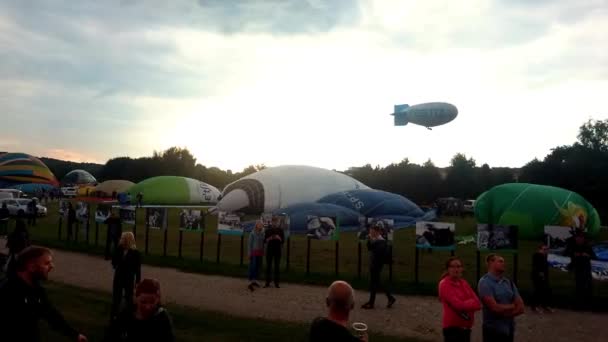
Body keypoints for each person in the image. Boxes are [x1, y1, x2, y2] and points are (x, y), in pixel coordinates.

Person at [0, 246, 88, 342]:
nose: (52, 266)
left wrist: (75, 335)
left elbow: (50, 314)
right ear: (31, 266)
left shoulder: (36, 290)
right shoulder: (9, 290)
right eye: (47, 263)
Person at [105, 278, 174, 342]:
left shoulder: (162, 319)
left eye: (152, 302)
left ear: (158, 299)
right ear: (136, 299)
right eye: (143, 302)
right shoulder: (125, 316)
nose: (148, 307)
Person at [478, 254, 524, 342]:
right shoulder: (485, 283)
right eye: (500, 261)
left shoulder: (508, 282)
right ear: (491, 263)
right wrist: (513, 306)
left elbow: (521, 307)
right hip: (493, 331)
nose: (504, 264)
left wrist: (506, 314)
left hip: (509, 329)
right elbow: (494, 308)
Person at [438, 257, 481, 342]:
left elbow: (478, 304)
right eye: (452, 267)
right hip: (452, 329)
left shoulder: (464, 283)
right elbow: (458, 305)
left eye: (458, 266)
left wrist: (466, 303)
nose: (456, 269)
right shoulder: (444, 284)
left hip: (466, 328)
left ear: (462, 269)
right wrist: (470, 302)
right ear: (448, 269)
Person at [362, 224, 395, 309]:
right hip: (374, 264)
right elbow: (369, 248)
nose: (370, 233)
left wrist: (373, 241)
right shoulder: (375, 240)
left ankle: (372, 303)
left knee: (374, 283)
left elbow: (378, 253)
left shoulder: (381, 241)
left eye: (372, 231)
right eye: (370, 231)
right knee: (376, 283)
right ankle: (389, 298)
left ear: (376, 232)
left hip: (377, 264)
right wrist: (370, 240)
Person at [111, 232, 142, 319]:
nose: (121, 240)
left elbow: (138, 269)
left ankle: (129, 317)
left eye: (123, 239)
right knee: (116, 299)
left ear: (127, 240)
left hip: (129, 279)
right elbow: (113, 262)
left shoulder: (136, 253)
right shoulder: (119, 249)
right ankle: (114, 316)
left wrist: (138, 282)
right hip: (118, 277)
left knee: (129, 299)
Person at [564, 229, 596, 308]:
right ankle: (579, 303)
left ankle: (588, 302)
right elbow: (565, 252)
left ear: (583, 239)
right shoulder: (572, 245)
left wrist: (587, 255)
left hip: (585, 267)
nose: (579, 240)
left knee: (588, 284)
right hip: (577, 267)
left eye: (581, 238)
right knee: (579, 285)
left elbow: (594, 256)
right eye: (577, 238)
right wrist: (574, 254)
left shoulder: (587, 246)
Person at [531, 244, 553, 313]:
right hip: (538, 276)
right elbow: (537, 266)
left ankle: (545, 306)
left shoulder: (544, 256)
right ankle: (535, 306)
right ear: (540, 249)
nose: (546, 251)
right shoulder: (537, 255)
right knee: (538, 291)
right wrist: (541, 274)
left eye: (546, 249)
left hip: (544, 276)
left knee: (546, 290)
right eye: (544, 249)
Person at [264, 216, 284, 288]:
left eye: (276, 222)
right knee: (268, 266)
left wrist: (279, 238)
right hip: (269, 250)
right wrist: (269, 238)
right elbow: (265, 241)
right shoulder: (268, 230)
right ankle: (267, 282)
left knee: (277, 267)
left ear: (278, 222)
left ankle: (276, 283)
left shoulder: (281, 230)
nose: (275, 223)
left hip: (277, 250)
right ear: (271, 222)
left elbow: (283, 241)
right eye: (273, 222)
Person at [248, 220, 265, 291]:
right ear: (256, 225)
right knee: (253, 266)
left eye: (261, 225)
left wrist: (264, 251)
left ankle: (256, 280)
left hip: (260, 252)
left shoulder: (263, 233)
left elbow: (264, 243)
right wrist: (249, 253)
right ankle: (252, 280)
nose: (260, 226)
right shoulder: (252, 233)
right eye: (259, 225)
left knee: (258, 266)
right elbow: (249, 244)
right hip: (254, 252)